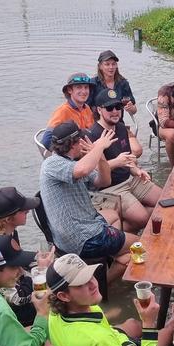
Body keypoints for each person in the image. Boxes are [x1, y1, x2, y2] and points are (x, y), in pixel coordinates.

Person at [47, 254, 174, 346]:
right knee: (169, 329)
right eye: (81, 283)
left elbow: (109, 332)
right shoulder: (98, 342)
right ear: (63, 296)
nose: (93, 284)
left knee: (132, 324)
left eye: (90, 276)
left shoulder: (55, 313)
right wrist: (148, 324)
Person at [39, 121, 138, 282]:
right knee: (140, 245)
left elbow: (103, 181)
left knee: (112, 214)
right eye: (82, 139)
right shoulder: (52, 163)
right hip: (81, 237)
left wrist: (99, 155)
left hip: (82, 225)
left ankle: (111, 253)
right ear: (74, 143)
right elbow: (82, 170)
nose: (86, 141)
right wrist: (99, 146)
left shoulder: (74, 162)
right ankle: (102, 284)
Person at [0, 187, 55, 326]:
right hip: (7, 303)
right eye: (23, 210)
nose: (28, 210)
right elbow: (16, 299)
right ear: (9, 218)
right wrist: (42, 274)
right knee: (54, 297)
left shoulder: (8, 232)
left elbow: (16, 262)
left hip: (11, 285)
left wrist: (40, 266)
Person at [88, 88, 161, 232]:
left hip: (129, 178)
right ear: (99, 110)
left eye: (118, 107)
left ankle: (127, 223)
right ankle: (118, 232)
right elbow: (91, 171)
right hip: (109, 188)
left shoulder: (121, 128)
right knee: (142, 218)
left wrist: (136, 170)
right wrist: (117, 162)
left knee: (164, 200)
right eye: (109, 108)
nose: (115, 111)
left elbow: (127, 159)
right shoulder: (92, 135)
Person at [41, 72, 95, 148]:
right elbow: (46, 141)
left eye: (86, 87)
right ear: (70, 90)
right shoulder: (62, 111)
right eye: (79, 87)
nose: (84, 91)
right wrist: (65, 154)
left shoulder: (87, 108)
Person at [88, 50, 138, 126]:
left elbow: (133, 110)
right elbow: (85, 108)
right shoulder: (93, 83)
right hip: (97, 125)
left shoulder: (123, 83)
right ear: (100, 66)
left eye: (113, 64)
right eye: (107, 64)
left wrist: (131, 108)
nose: (111, 67)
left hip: (118, 124)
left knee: (133, 138)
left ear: (116, 66)